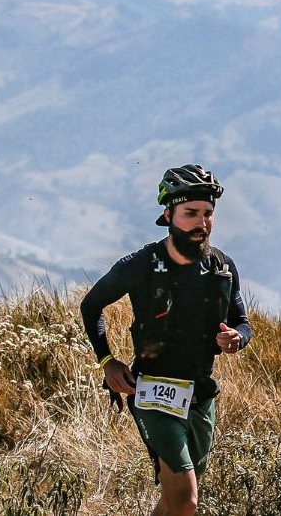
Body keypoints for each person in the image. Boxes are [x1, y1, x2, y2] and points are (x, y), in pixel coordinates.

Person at [81, 164, 252, 516]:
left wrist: (237, 339)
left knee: (174, 503)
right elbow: (91, 305)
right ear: (168, 214)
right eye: (190, 213)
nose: (201, 222)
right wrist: (107, 361)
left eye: (207, 214)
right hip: (153, 392)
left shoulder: (222, 266)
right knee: (187, 502)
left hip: (202, 394)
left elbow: (243, 323)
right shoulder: (141, 264)